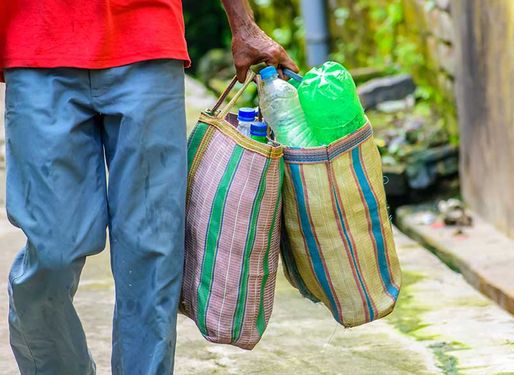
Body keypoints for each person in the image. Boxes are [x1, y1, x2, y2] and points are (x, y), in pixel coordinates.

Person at [0, 1, 298, 374]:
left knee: (152, 252)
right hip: (36, 41)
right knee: (53, 249)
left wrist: (244, 24)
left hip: (147, 36)